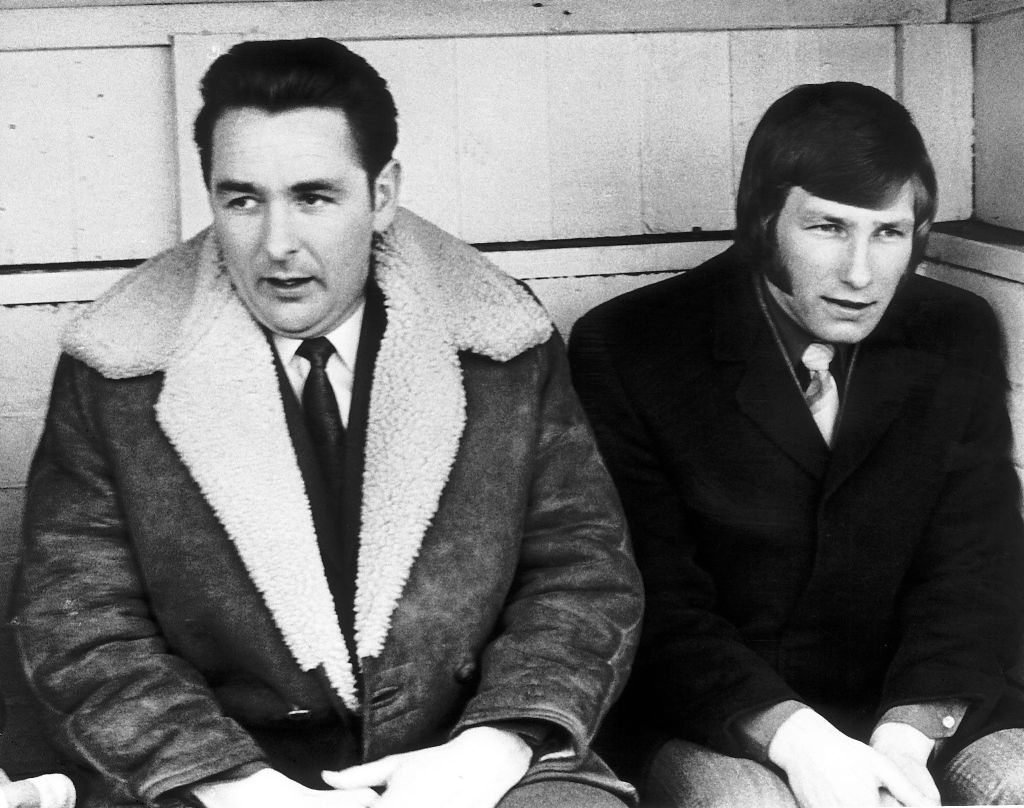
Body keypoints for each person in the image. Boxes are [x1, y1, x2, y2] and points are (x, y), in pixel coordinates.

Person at [13, 38, 642, 808]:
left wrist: (491, 748)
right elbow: (78, 626)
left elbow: (582, 573)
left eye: (313, 197)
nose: (276, 244)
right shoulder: (116, 364)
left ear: (381, 195)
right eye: (242, 199)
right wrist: (237, 785)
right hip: (220, 776)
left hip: (474, 758)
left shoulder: (499, 339)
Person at [569, 81, 1024, 807]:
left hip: (915, 704)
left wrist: (906, 740)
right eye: (828, 228)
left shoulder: (954, 330)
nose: (861, 274)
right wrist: (801, 742)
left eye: (889, 233)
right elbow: (651, 602)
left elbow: (978, 568)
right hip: (722, 716)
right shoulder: (631, 345)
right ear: (760, 222)